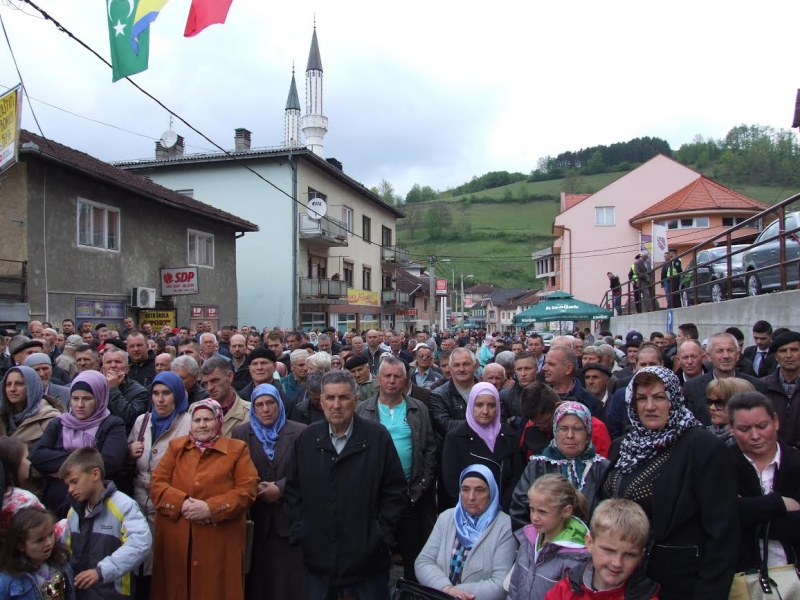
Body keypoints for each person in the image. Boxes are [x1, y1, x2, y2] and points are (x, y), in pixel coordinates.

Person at [600, 366, 739, 600]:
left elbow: (722, 534)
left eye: (659, 397)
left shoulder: (702, 447)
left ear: (674, 399)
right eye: (641, 398)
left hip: (676, 585)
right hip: (621, 581)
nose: (650, 406)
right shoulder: (625, 445)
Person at [284, 370, 407, 599]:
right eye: (330, 398)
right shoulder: (307, 439)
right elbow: (294, 492)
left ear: (355, 400)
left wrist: (380, 534)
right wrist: (303, 532)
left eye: (343, 398)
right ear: (321, 402)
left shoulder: (377, 437)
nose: (337, 405)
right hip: (319, 560)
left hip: (368, 561)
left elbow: (395, 491)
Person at [149, 399, 259, 600]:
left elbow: (247, 489)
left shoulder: (237, 449)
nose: (201, 424)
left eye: (207, 419)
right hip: (178, 537)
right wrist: (182, 503)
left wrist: (211, 508)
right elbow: (157, 484)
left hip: (219, 542)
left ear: (218, 421)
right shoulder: (176, 447)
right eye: (197, 419)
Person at [355, 357, 437, 582]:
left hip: (410, 496)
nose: (391, 381)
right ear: (378, 378)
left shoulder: (417, 408)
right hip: (374, 499)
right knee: (375, 556)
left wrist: (422, 485)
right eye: (387, 376)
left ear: (405, 380)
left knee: (413, 554)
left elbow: (429, 448)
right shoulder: (363, 410)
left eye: (397, 376)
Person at [231, 384, 307, 600]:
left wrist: (281, 488)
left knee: (290, 583)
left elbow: (308, 471)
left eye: (270, 403)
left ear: (279, 405)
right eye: (259, 404)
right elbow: (236, 471)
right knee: (259, 584)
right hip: (257, 520)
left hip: (289, 521)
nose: (265, 409)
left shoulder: (300, 431)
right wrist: (256, 488)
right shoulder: (241, 433)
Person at [126, 371, 191, 599]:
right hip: (139, 502)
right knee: (140, 567)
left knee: (166, 566)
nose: (160, 399)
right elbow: (132, 457)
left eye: (166, 393)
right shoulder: (142, 421)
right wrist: (129, 452)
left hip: (170, 506)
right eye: (155, 393)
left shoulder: (189, 422)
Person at [30, 371, 127, 517]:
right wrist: (87, 458)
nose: (80, 405)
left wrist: (59, 464)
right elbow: (37, 456)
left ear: (100, 398)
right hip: (55, 503)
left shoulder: (112, 425)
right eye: (75, 398)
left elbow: (109, 463)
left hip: (95, 506)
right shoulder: (59, 423)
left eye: (87, 398)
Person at [58, 448, 151, 600]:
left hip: (113, 595)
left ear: (95, 474)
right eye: (68, 485)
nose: (70, 490)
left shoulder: (124, 506)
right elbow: (66, 552)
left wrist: (101, 571)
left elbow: (140, 543)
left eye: (74, 482)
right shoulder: (73, 512)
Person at [415, 464, 517, 600]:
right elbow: (423, 561)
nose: (471, 497)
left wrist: (455, 594)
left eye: (479, 490)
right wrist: (445, 588)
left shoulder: (504, 526)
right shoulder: (447, 518)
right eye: (465, 489)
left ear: (491, 493)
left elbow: (500, 585)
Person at [511, 402, 610, 531]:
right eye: (563, 428)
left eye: (577, 429)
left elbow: (611, 515)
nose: (570, 435)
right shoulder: (538, 465)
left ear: (588, 433)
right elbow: (519, 511)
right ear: (555, 431)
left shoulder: (602, 468)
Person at [544, 499, 659, 600]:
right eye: (609, 550)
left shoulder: (646, 596)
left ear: (641, 555)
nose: (617, 563)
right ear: (589, 543)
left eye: (629, 555)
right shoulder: (564, 591)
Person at [507, 474, 590, 600]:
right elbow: (514, 587)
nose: (535, 517)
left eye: (542, 511)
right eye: (532, 509)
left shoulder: (577, 557)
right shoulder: (528, 540)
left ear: (566, 511)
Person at [442, 382, 523, 511]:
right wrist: (473, 504)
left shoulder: (509, 435)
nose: (485, 411)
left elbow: (517, 476)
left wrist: (503, 505)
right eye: (479, 405)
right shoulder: (456, 437)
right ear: (470, 406)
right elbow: (451, 480)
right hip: (469, 510)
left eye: (491, 405)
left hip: (503, 510)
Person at [682, 332, 765, 426]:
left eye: (730, 350)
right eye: (720, 351)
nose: (726, 356)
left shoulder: (756, 386)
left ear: (738, 355)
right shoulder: (692, 387)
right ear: (709, 356)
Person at [0, 506, 76, 600]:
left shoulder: (61, 562)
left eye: (51, 533)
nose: (48, 543)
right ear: (21, 545)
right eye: (40, 540)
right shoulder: (9, 578)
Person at [0, 365, 64, 447]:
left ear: (32, 387)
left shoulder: (50, 419)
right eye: (8, 384)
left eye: (19, 384)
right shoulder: (3, 417)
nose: (12, 389)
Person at [761, 331, 800, 448]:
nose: (789, 355)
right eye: (783, 351)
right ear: (776, 357)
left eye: (794, 350)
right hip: (772, 453)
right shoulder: (762, 386)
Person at [705, 377, 755, 443]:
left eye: (719, 403)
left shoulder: (752, 440)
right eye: (710, 402)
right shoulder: (703, 435)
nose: (712, 407)